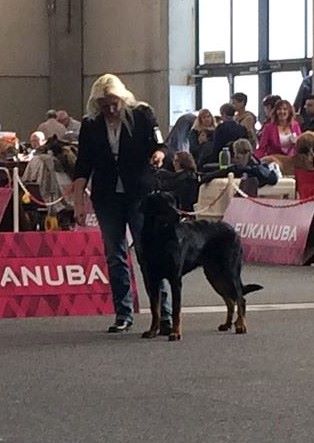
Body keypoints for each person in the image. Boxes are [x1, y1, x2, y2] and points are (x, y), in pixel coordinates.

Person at [73, 73, 171, 333]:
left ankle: (163, 315)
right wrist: (79, 202)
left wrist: (159, 154)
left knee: (148, 254)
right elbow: (83, 163)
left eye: (114, 101)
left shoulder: (142, 114)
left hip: (139, 194)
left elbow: (161, 145)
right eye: (105, 103)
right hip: (106, 196)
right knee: (115, 255)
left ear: (123, 97)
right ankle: (123, 314)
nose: (111, 108)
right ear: (97, 103)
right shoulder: (90, 124)